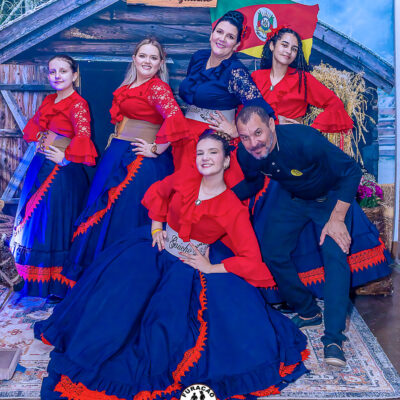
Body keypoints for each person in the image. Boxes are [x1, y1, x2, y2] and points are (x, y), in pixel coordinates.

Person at [35, 132, 309, 400]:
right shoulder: (186, 177)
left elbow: (251, 259)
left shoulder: (232, 208)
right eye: (200, 153)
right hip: (154, 248)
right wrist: (157, 226)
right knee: (115, 301)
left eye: (213, 152)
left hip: (189, 267)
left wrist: (211, 268)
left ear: (226, 160)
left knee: (167, 328)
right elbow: (158, 192)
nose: (205, 158)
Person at [233, 103, 365, 367]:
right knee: (272, 251)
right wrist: (220, 198)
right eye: (245, 137)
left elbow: (352, 170)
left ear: (272, 125)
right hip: (293, 198)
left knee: (335, 255)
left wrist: (337, 218)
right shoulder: (246, 154)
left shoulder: (305, 140)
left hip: (331, 199)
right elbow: (253, 183)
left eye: (258, 133)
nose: (253, 143)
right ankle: (308, 311)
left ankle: (333, 338)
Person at [57, 38, 188, 297]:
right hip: (117, 153)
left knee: (125, 217)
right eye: (143, 55)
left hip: (138, 163)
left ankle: (121, 287)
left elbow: (175, 118)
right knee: (103, 214)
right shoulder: (128, 86)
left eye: (153, 57)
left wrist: (156, 149)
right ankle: (95, 282)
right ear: (134, 58)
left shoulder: (157, 87)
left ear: (161, 63)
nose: (147, 61)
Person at [10, 54, 97, 298]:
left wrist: (66, 158)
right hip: (40, 164)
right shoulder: (49, 99)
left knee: (49, 224)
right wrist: (43, 140)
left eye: (63, 71)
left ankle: (52, 286)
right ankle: (29, 281)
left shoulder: (78, 104)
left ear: (75, 75)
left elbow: (83, 136)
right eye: (52, 72)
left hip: (60, 173)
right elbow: (36, 127)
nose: (57, 76)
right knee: (32, 222)